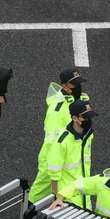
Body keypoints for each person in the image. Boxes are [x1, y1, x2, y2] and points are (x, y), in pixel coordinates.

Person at [27, 68, 87, 202]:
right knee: (41, 188)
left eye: (80, 84)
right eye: (75, 85)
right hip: (54, 156)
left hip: (73, 154)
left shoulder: (81, 100)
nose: (79, 87)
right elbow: (52, 141)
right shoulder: (56, 110)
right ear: (64, 87)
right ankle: (28, 214)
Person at [45, 100, 97, 207]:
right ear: (75, 118)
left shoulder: (88, 135)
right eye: (85, 118)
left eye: (89, 118)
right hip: (68, 197)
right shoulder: (61, 142)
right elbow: (54, 173)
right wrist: (55, 196)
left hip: (84, 192)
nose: (88, 121)